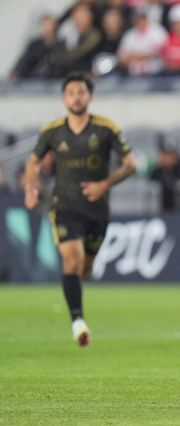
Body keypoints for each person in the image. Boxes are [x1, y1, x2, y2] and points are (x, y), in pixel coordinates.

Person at [23, 73, 136, 346]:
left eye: (81, 92)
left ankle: (77, 300)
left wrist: (104, 185)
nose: (76, 97)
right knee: (71, 261)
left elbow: (130, 164)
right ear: (64, 99)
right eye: (71, 93)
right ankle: (78, 322)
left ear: (90, 97)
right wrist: (31, 188)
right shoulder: (52, 131)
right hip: (64, 205)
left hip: (97, 210)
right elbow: (33, 162)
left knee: (85, 269)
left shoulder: (106, 128)